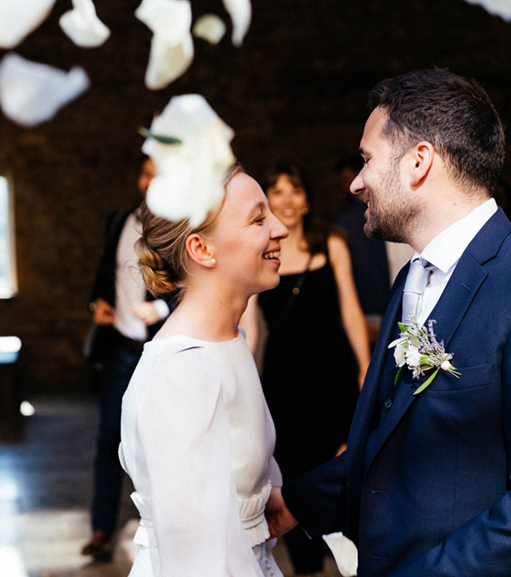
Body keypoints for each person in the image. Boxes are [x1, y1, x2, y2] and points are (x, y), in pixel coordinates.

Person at [269, 68, 511, 577]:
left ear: (419, 161)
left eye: (367, 160)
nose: (356, 182)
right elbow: (399, 445)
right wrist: (295, 502)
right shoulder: (411, 278)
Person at [119, 165, 290, 576]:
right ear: (202, 249)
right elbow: (196, 560)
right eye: (258, 218)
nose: (281, 228)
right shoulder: (182, 372)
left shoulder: (228, 343)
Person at [249, 162, 371, 577]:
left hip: (333, 373)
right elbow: (249, 325)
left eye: (294, 189)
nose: (285, 198)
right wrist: (241, 379)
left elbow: (350, 310)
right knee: (295, 474)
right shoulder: (259, 251)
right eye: (276, 190)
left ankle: (349, 559)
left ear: (306, 199)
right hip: (283, 379)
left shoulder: (330, 243)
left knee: (337, 464)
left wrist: (364, 367)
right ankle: (306, 568)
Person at [81, 157, 172, 560]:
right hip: (119, 347)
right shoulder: (118, 222)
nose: (151, 180)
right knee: (107, 440)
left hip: (160, 350)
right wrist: (95, 305)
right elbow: (105, 275)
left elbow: (193, 282)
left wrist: (164, 310)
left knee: (161, 443)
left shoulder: (179, 227)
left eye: (160, 173)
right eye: (146, 172)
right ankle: (101, 528)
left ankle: (166, 532)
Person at [333, 154, 392, 342]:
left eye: (347, 179)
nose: (348, 186)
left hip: (373, 308)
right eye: (343, 181)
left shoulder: (350, 219)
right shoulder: (346, 218)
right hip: (373, 311)